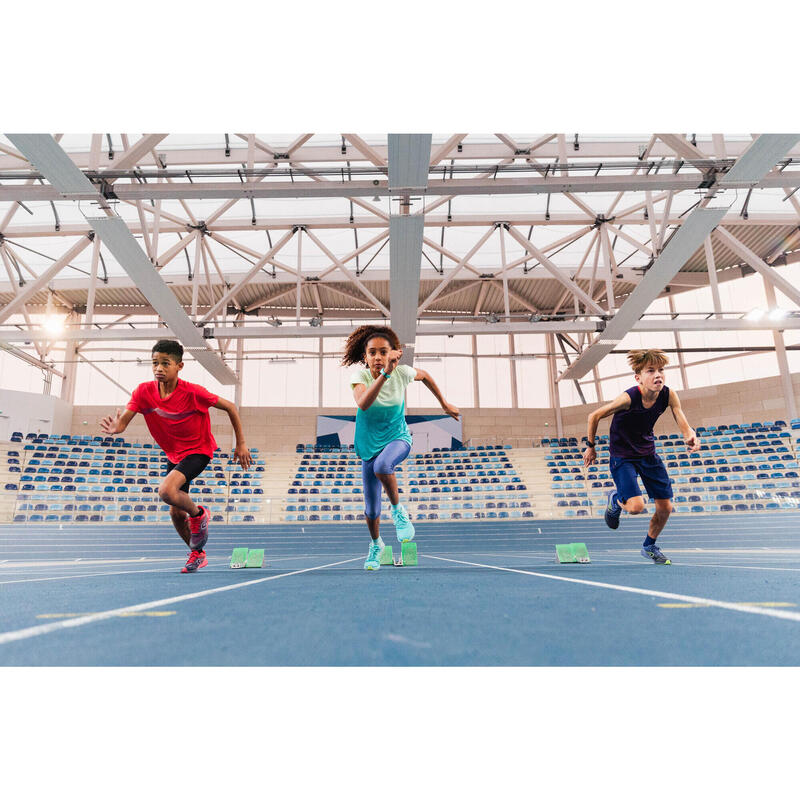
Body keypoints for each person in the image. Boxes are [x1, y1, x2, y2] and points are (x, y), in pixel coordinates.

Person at [100, 339, 252, 573]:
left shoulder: (193, 392)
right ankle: (197, 553)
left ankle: (199, 514)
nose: (158, 368)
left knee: (166, 492)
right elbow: (123, 423)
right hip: (173, 454)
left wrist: (240, 444)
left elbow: (231, 406)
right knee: (174, 511)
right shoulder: (143, 392)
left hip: (198, 450)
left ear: (179, 366)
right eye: (154, 363)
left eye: (165, 363)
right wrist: (116, 428)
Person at [342, 325, 460, 570]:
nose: (377, 357)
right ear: (365, 357)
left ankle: (398, 512)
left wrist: (444, 403)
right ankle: (376, 545)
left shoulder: (403, 372)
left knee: (384, 466)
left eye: (383, 352)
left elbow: (425, 375)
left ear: (392, 354)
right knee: (371, 510)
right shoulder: (360, 378)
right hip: (368, 447)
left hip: (398, 438)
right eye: (372, 352)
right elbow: (364, 403)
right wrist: (385, 374)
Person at [582, 348, 700, 564]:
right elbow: (594, 415)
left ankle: (649, 546)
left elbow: (679, 416)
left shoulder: (668, 394)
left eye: (661, 370)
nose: (658, 375)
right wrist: (591, 446)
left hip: (648, 453)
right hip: (623, 456)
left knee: (666, 508)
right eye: (650, 371)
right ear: (639, 378)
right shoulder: (628, 398)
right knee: (636, 507)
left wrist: (689, 434)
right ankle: (615, 499)